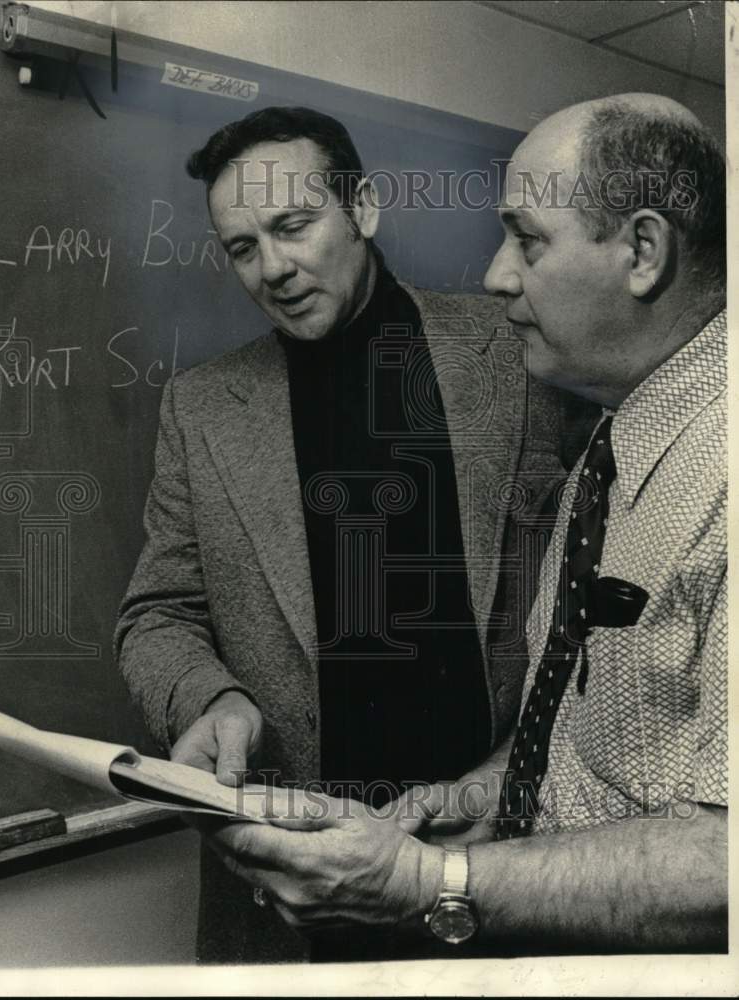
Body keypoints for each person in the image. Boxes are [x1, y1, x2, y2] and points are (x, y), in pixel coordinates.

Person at [204, 93, 728, 955]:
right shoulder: (612, 444)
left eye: (527, 239)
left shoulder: (698, 451)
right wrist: (497, 789)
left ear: (642, 251)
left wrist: (430, 885)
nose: (497, 275)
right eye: (241, 247)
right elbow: (614, 730)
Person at [115, 106, 584, 963]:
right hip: (293, 891)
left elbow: (596, 587)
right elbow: (159, 612)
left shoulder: (522, 350)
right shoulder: (201, 408)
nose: (274, 269)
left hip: (502, 856)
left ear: (361, 209)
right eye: (243, 248)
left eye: (294, 226)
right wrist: (208, 699)